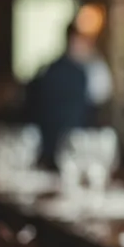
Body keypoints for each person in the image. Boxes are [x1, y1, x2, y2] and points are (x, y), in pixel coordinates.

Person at [25, 21, 94, 168]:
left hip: (51, 146)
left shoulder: (48, 70)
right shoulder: (79, 74)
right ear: (72, 40)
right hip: (68, 146)